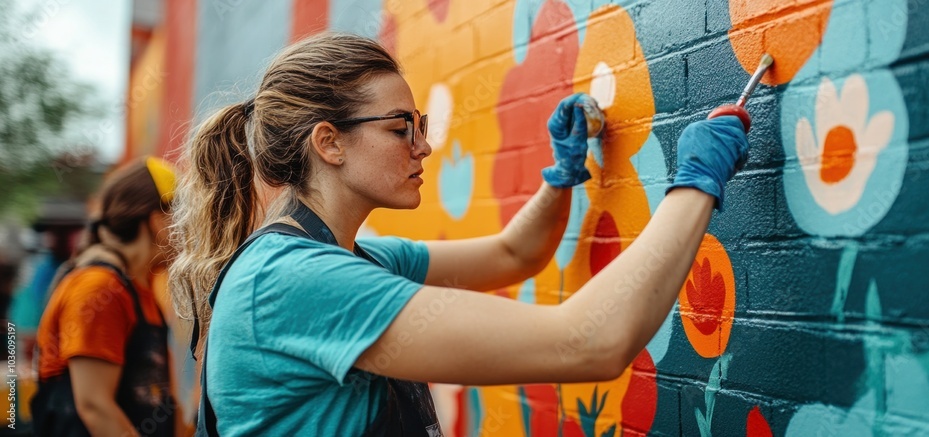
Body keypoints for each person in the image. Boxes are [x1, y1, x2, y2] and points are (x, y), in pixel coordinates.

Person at [170, 33, 749, 436]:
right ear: (329, 143)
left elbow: (513, 254)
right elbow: (590, 343)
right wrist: (694, 184)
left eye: (421, 125)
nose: (423, 146)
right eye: (402, 128)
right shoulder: (293, 282)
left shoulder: (350, 260)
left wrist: (563, 174)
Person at [32, 157, 177, 437]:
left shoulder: (138, 290)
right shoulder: (99, 288)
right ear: (158, 221)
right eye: (183, 218)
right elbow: (96, 407)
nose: (191, 231)